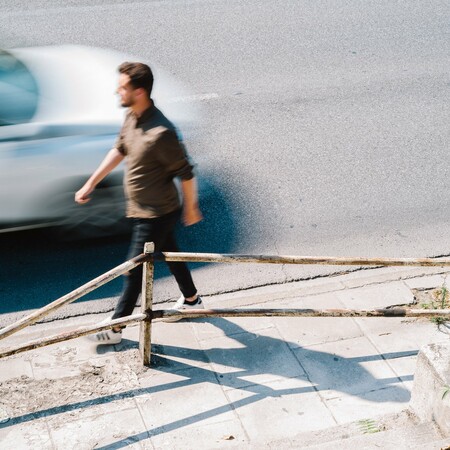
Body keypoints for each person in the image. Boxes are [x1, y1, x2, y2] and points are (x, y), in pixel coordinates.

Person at [75, 61, 204, 344]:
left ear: (140, 91)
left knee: (133, 269)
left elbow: (186, 172)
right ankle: (193, 300)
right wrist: (91, 183)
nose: (117, 92)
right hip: (143, 208)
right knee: (171, 255)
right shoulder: (132, 116)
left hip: (156, 213)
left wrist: (192, 207)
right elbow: (120, 149)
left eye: (123, 88)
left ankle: (116, 329)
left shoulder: (161, 132)